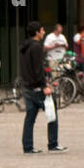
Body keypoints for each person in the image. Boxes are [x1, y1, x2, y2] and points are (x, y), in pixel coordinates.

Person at [19, 21, 65, 154]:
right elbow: (38, 69)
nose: (44, 32)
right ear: (37, 32)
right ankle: (53, 143)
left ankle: (27, 146)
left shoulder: (23, 46)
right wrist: (44, 85)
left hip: (27, 86)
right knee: (52, 112)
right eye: (42, 30)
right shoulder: (36, 47)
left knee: (30, 117)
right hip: (37, 87)